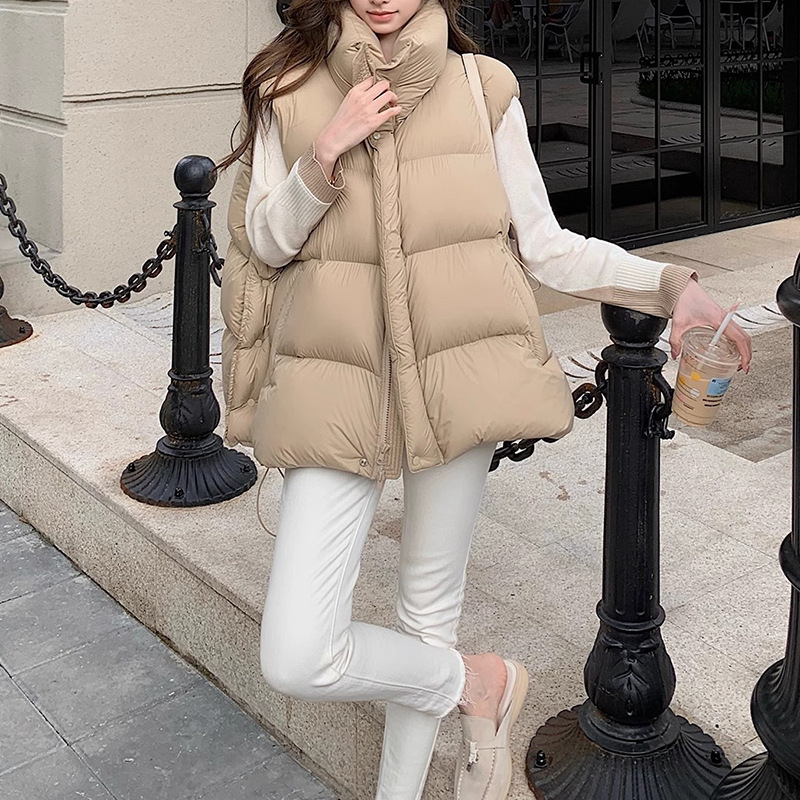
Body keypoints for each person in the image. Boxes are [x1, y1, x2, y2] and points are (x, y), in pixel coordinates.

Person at [216, 0, 752, 797]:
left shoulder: (481, 86)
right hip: (333, 386)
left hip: (456, 380)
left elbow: (546, 247)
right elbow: (264, 240)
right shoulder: (287, 85)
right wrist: (324, 156)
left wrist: (674, 286)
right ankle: (480, 684)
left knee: (427, 615)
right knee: (297, 653)